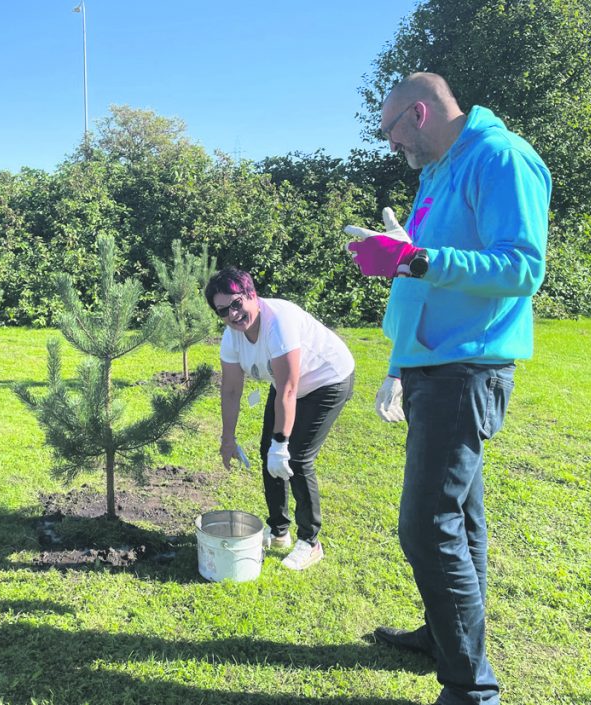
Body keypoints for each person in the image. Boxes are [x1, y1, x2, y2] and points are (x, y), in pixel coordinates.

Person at [344, 73, 551, 705]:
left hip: (466, 369)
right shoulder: (436, 172)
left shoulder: (499, 156)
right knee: (460, 518)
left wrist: (415, 260)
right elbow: (423, 267)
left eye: (388, 130)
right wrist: (399, 356)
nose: (388, 145)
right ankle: (444, 637)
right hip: (432, 365)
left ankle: (470, 688)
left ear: (419, 112)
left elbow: (522, 266)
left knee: (426, 526)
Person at [205, 267, 355, 571]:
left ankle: (311, 542)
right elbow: (232, 390)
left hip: (327, 380)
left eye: (236, 303)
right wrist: (227, 439)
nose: (233, 315)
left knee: (296, 458)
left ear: (252, 295)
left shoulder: (279, 323)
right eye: (223, 311)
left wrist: (282, 443)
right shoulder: (232, 338)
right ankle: (278, 531)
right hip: (287, 385)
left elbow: (289, 388)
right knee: (266, 454)